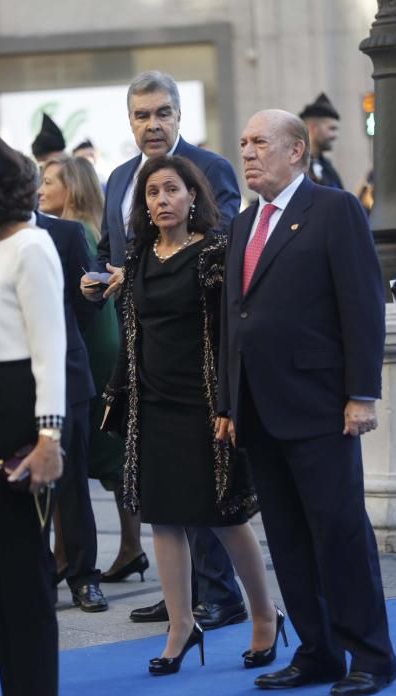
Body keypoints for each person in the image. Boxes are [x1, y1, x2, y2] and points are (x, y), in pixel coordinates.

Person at [217, 109, 396, 696]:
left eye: (260, 142)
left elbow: (362, 306)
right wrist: (228, 401)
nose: (247, 152)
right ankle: (317, 653)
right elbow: (233, 323)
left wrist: (361, 393)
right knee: (289, 541)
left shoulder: (334, 209)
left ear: (296, 151)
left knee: (340, 536)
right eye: (242, 142)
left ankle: (371, 656)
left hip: (322, 407)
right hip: (260, 410)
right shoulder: (245, 223)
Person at [80, 70, 246, 629]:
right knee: (164, 482)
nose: (152, 124)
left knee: (204, 479)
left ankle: (220, 594)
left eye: (161, 113)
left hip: (194, 347)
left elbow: (222, 245)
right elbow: (110, 249)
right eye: (141, 115)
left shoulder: (211, 168)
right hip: (140, 344)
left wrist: (146, 273)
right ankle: (184, 598)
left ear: (179, 116)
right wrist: (98, 277)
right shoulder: (119, 178)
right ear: (129, 121)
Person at [108, 154, 282, 675]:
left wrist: (229, 403)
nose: (161, 201)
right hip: (152, 403)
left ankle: (264, 615)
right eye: (152, 193)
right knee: (163, 518)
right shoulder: (138, 256)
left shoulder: (215, 252)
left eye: (171, 190)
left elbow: (234, 334)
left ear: (193, 196)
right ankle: (181, 626)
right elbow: (132, 332)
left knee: (224, 517)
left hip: (205, 405)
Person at [0, 130, 66, 696]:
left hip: (12, 411)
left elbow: (48, 348)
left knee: (23, 577)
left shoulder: (32, 246)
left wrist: (48, 438)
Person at [37, 157, 146, 575]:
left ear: (74, 188)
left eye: (49, 182)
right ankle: (127, 547)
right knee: (110, 452)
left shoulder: (73, 231)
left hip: (90, 352)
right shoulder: (87, 228)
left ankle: (72, 556)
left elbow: (76, 306)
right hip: (99, 348)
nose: (41, 189)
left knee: (87, 456)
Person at [299, 93, 343, 189]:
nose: (335, 136)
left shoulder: (328, 169)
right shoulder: (294, 168)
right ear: (313, 128)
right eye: (332, 129)